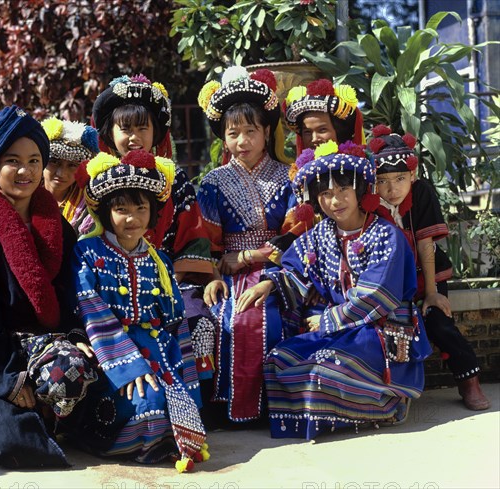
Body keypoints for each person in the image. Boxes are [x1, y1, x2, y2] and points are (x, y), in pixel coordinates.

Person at [240, 141, 432, 440]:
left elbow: (376, 296)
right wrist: (271, 282)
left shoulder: (386, 235)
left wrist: (328, 320)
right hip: (338, 330)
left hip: (378, 331)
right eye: (326, 193)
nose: (335, 201)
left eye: (343, 191)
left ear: (358, 191)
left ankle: (389, 403)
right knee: (279, 358)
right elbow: (295, 270)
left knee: (322, 368)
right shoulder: (318, 234)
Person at [0, 106, 97, 468]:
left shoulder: (57, 225)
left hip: (49, 340)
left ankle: (53, 408)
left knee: (84, 383)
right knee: (14, 443)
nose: (25, 171)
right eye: (13, 160)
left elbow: (74, 294)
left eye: (33, 160)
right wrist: (9, 378)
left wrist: (77, 338)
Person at [69, 149, 208, 472]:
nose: (131, 218)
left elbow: (175, 323)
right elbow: (91, 309)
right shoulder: (87, 251)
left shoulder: (159, 260)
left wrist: (185, 383)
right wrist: (128, 367)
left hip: (159, 354)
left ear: (152, 213)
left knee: (177, 406)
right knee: (148, 405)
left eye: (140, 208)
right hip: (108, 356)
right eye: (121, 209)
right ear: (105, 211)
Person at [91, 74, 217, 381]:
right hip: (113, 283)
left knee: (197, 320)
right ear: (110, 132)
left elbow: (192, 240)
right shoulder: (97, 183)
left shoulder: (177, 182)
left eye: (142, 128)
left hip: (172, 279)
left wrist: (164, 281)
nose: (134, 137)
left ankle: (192, 402)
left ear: (156, 132)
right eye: (126, 129)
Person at [196, 66, 299, 423]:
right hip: (228, 272)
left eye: (251, 131)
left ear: (267, 131)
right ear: (223, 138)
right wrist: (213, 274)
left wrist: (256, 258)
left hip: (278, 269)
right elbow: (205, 241)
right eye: (233, 133)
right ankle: (228, 408)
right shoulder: (212, 183)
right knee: (225, 317)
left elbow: (294, 234)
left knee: (269, 317)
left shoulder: (289, 177)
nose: (243, 141)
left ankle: (273, 407)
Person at [368, 125, 490, 410]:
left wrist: (433, 293)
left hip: (429, 276)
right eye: (383, 180)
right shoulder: (370, 203)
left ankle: (468, 381)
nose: (392, 188)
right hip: (391, 284)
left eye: (400, 178)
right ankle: (389, 389)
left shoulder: (421, 193)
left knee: (439, 322)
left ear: (413, 175)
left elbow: (425, 243)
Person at [41, 117, 99, 236]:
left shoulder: (89, 205)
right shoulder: (24, 196)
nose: (61, 173)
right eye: (54, 162)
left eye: (72, 165)